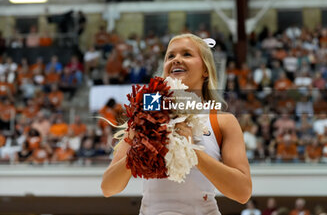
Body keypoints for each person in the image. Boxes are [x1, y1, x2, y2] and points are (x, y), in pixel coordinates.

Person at [101, 33, 252, 214]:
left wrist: (192, 150)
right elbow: (108, 188)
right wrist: (137, 150)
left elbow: (242, 192)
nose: (176, 60)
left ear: (205, 69)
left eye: (186, 54)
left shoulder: (222, 121)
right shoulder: (144, 115)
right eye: (170, 56)